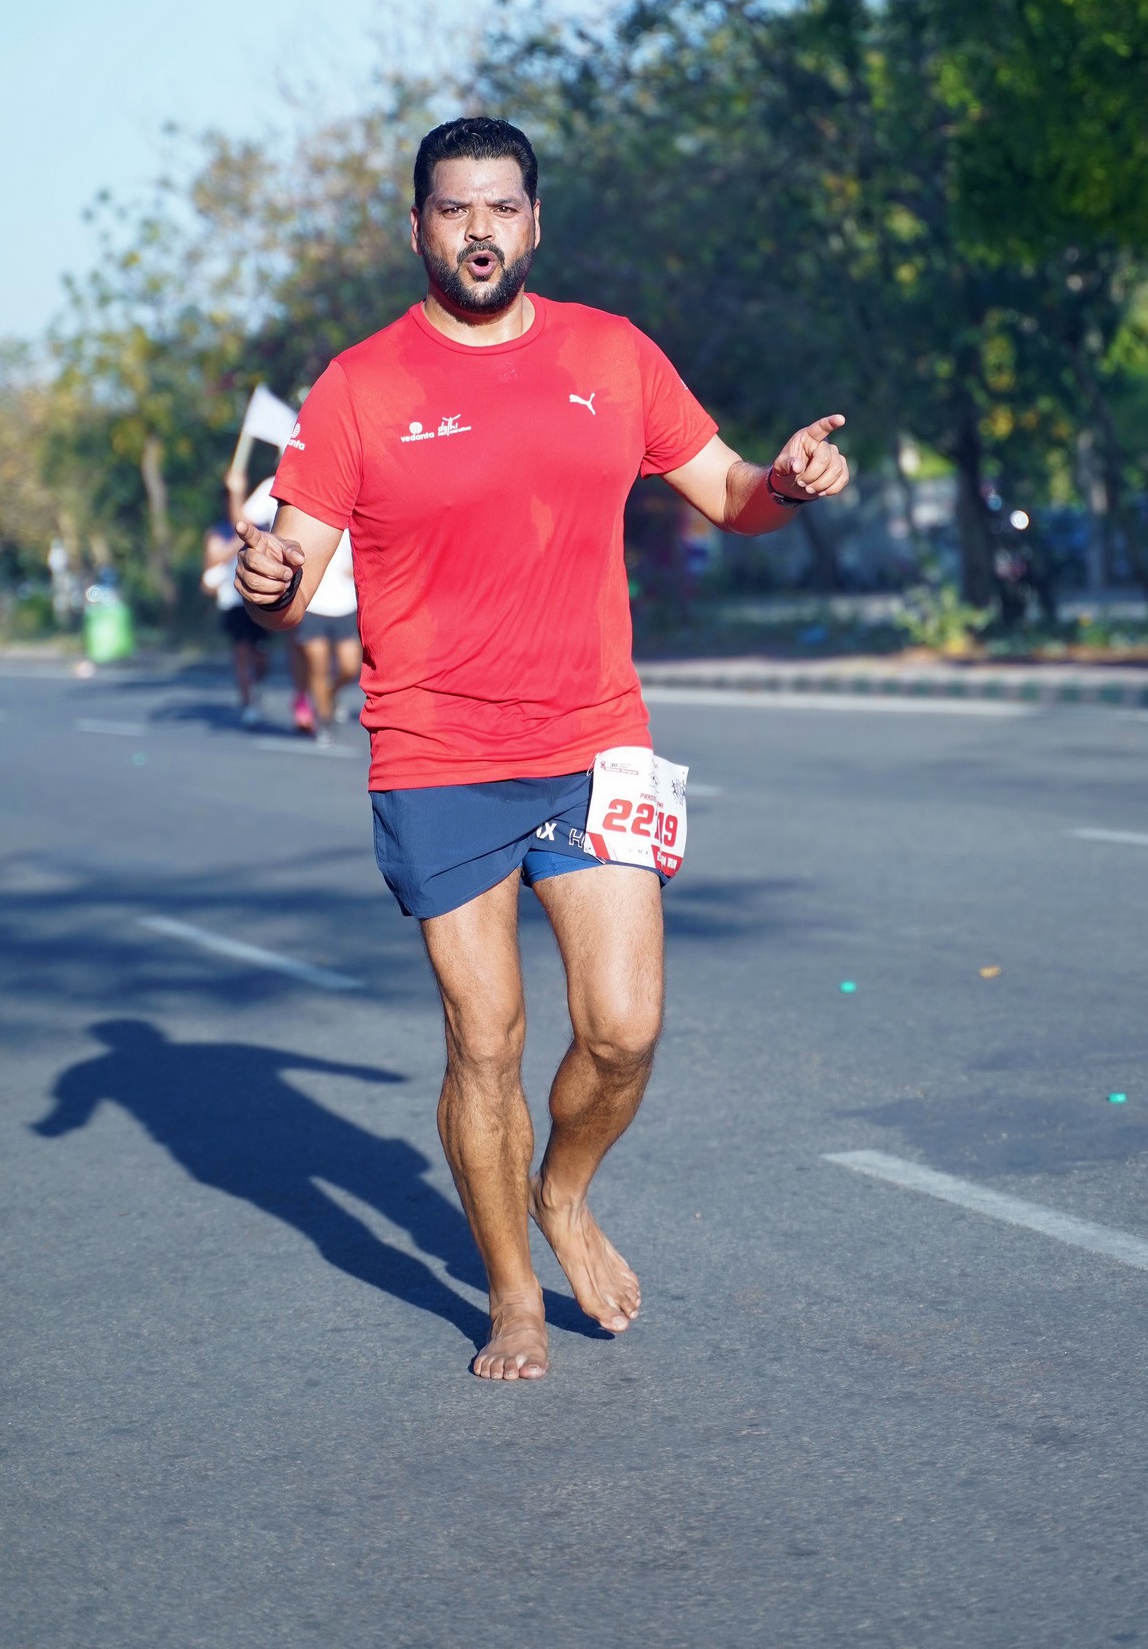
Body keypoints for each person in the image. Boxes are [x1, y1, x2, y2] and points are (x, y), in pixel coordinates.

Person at [234, 115, 849, 1382]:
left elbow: (729, 493)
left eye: (501, 207)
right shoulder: (358, 388)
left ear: (533, 223)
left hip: (593, 738)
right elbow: (293, 571)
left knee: (623, 1030)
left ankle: (561, 1191)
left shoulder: (612, 354)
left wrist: (785, 480)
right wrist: (268, 582)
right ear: (417, 227)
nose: (479, 230)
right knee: (488, 1042)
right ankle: (512, 1294)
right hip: (438, 751)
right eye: (454, 208)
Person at [202, 480, 272, 725]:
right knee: (241, 653)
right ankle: (248, 702)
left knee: (261, 655)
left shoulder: (262, 526)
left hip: (258, 600)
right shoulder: (219, 531)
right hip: (233, 601)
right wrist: (239, 539)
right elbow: (212, 559)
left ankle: (257, 684)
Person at [290, 528, 360, 739]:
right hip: (312, 604)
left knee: (350, 667)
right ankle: (325, 720)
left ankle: (329, 693)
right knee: (317, 666)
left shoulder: (353, 518)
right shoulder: (305, 519)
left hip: (345, 603)